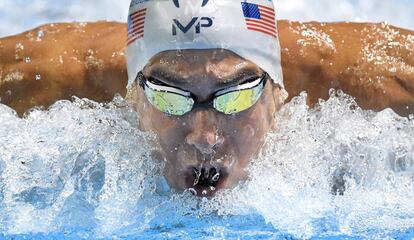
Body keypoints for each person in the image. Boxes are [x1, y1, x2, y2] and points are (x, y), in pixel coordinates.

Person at [0, 0, 413, 196]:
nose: (204, 137)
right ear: (133, 97)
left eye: (234, 97)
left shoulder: (370, 80)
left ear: (277, 94)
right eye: (169, 96)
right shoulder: (50, 78)